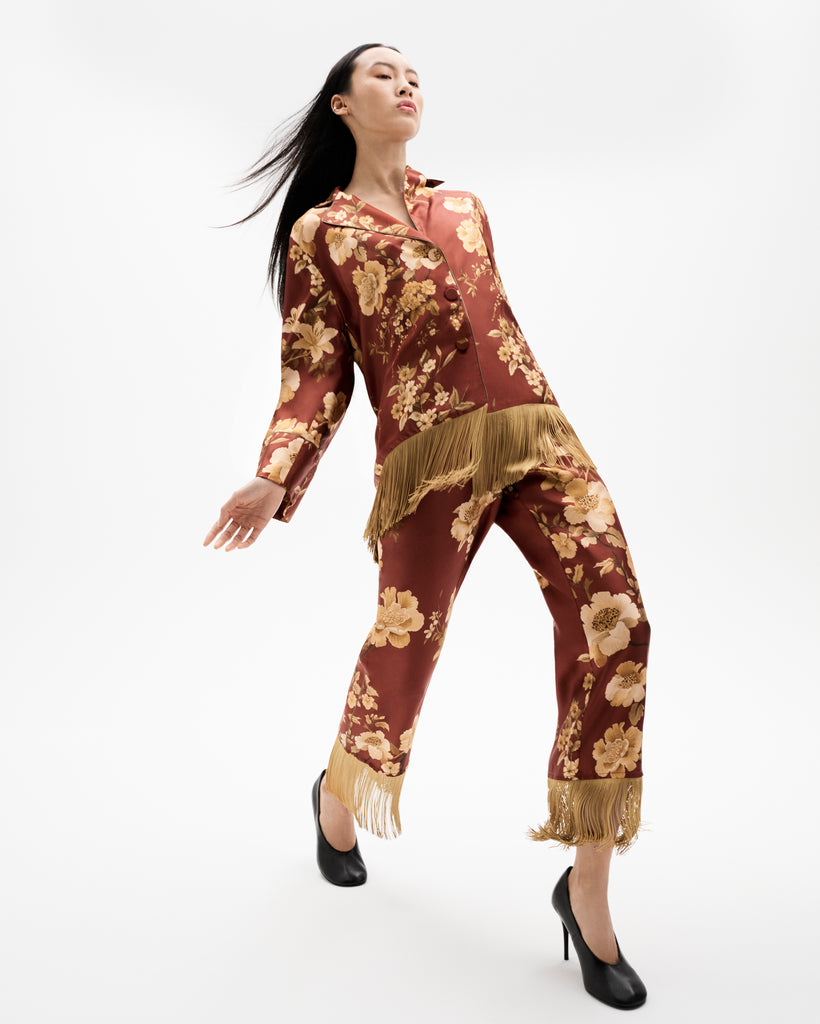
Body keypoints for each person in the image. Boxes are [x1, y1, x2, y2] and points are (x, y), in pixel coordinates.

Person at [203, 42, 650, 1010]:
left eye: (414, 75)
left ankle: (587, 890)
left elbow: (500, 324)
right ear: (341, 105)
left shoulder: (465, 206)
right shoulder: (322, 232)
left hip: (536, 434)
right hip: (427, 461)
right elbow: (316, 371)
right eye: (383, 74)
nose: (406, 84)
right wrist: (275, 475)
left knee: (619, 621)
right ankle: (336, 799)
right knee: (404, 651)